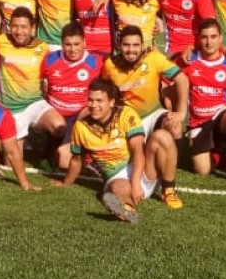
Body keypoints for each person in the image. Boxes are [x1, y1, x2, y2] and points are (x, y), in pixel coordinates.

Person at [50, 78, 184, 220]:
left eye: (99, 100)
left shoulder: (126, 114)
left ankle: (168, 190)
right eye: (90, 100)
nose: (93, 105)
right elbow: (77, 159)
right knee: (115, 188)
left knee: (162, 136)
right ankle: (127, 210)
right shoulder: (80, 127)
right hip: (117, 177)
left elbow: (138, 151)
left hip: (144, 169)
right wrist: (66, 182)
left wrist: (136, 183)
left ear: (112, 102)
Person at [182, 19, 226, 183]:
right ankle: (221, 152)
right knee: (203, 170)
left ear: (220, 38)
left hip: (220, 117)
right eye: (204, 37)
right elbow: (169, 82)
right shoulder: (189, 60)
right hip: (198, 122)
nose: (209, 41)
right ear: (198, 38)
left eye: (213, 36)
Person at [33, 22, 103, 169]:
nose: (72, 49)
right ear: (62, 44)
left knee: (65, 164)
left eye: (77, 44)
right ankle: (48, 145)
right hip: (55, 113)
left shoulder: (96, 62)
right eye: (68, 44)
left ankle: (84, 153)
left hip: (80, 113)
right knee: (58, 126)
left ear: (84, 42)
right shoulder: (50, 59)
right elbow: (39, 84)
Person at [101, 24, 188, 139]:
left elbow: (182, 79)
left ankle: (178, 157)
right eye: (126, 45)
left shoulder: (154, 58)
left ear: (142, 45)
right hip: (126, 118)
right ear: (119, 45)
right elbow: (102, 91)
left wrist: (181, 112)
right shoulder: (110, 65)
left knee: (174, 127)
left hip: (154, 114)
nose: (131, 50)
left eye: (135, 45)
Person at [0, 7, 52, 142]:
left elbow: (48, 76)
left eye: (24, 27)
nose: (19, 32)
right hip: (9, 108)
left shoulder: (42, 47)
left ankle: (39, 139)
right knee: (10, 157)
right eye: (15, 26)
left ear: (32, 27)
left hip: (33, 103)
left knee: (57, 125)